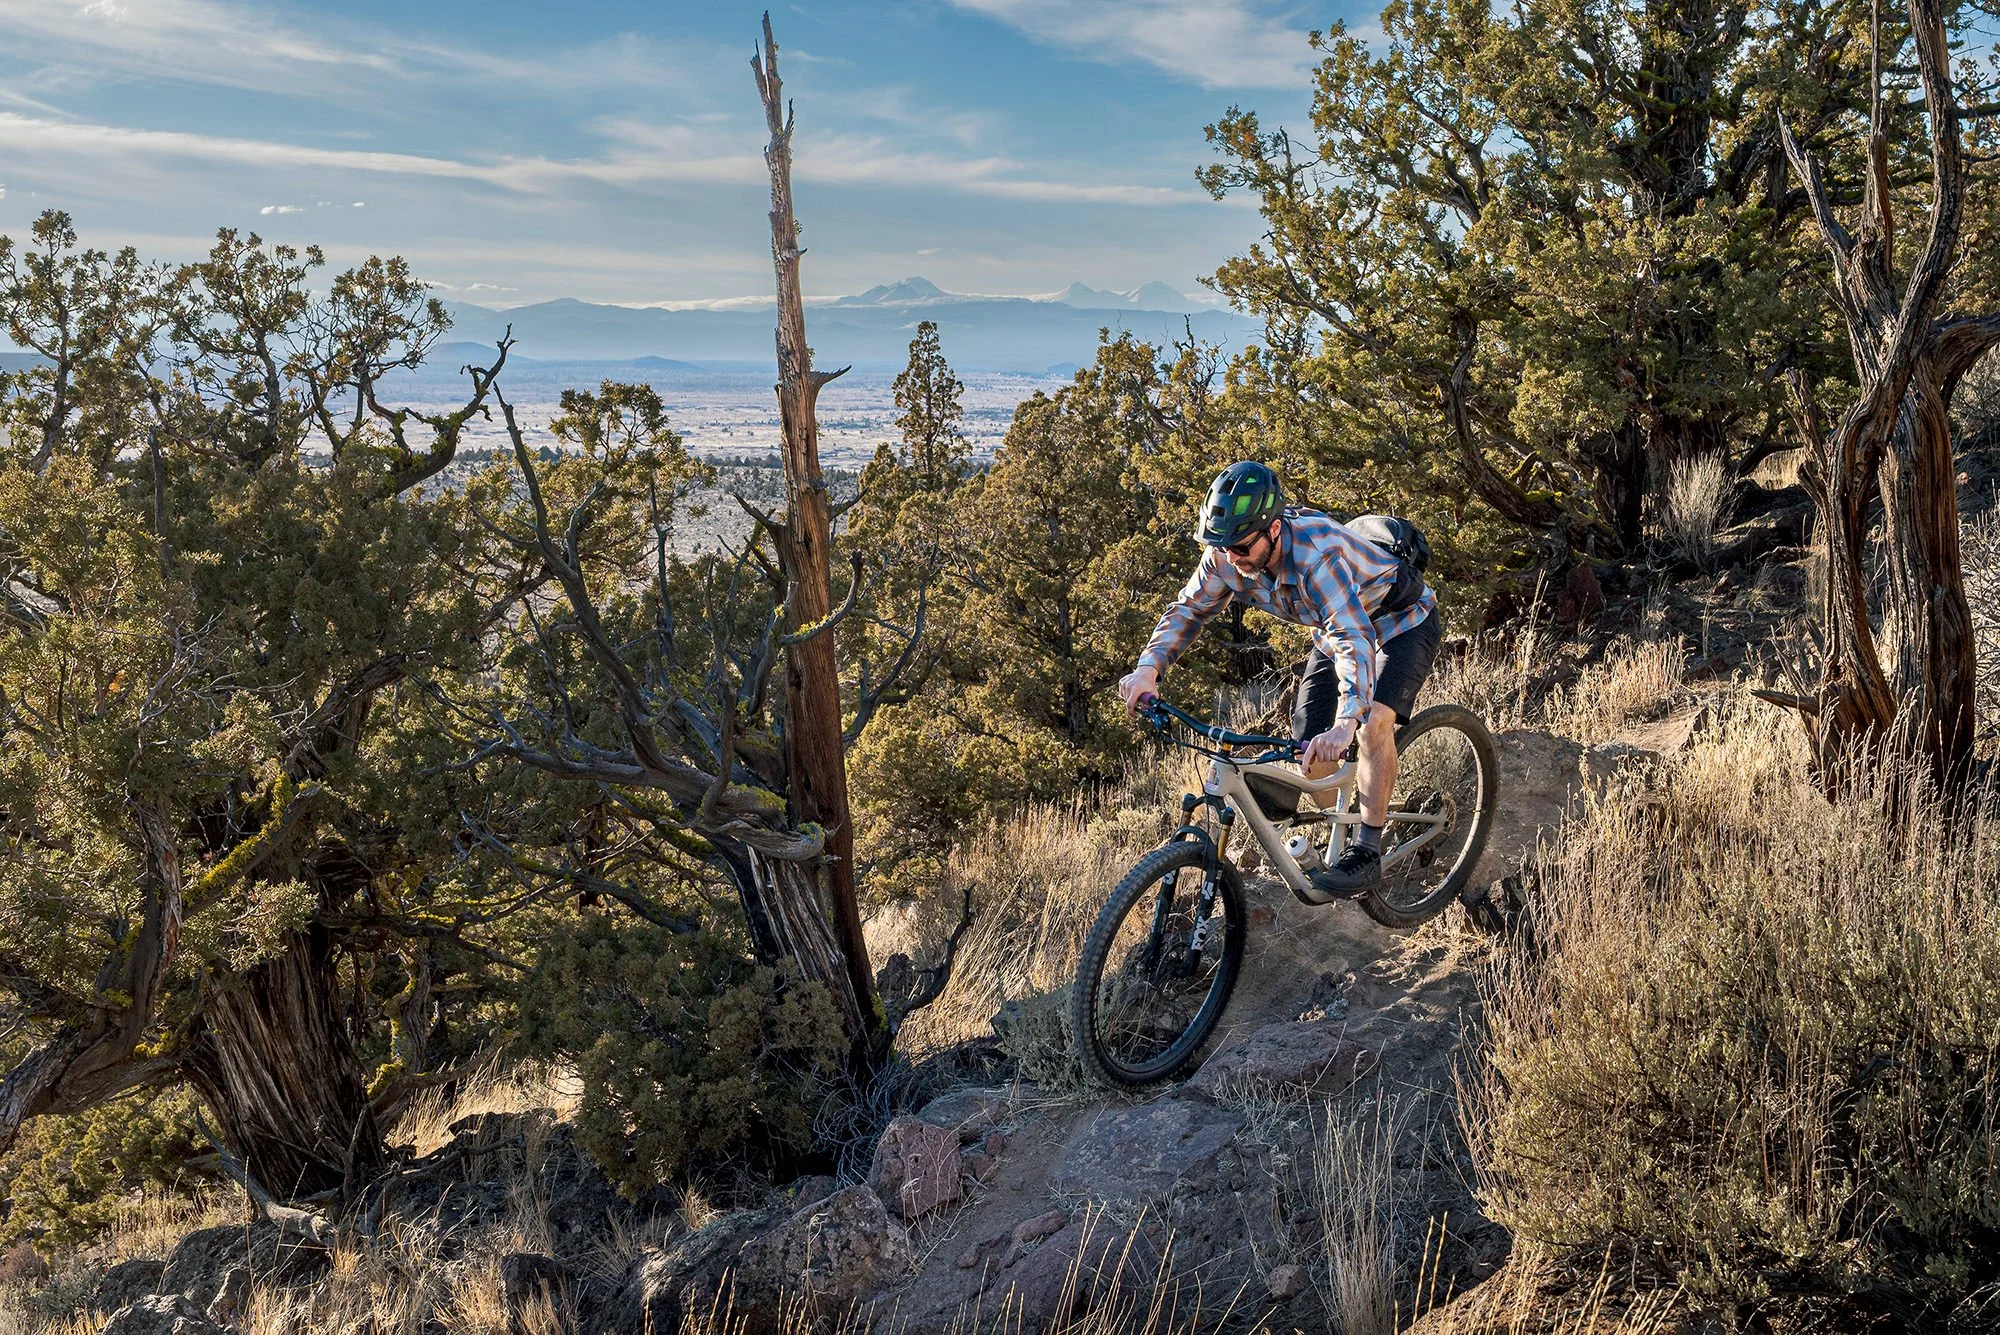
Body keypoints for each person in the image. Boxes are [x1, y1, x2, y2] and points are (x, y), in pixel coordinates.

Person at [1117, 461, 1442, 894]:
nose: (1231, 558)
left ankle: (1367, 851)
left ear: (1272, 530)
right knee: (1311, 749)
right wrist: (1148, 668)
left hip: (1401, 621)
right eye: (1222, 546)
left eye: (1240, 547)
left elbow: (1353, 639)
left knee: (1371, 727)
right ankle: (1344, 829)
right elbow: (1189, 610)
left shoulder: (1315, 554)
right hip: (1336, 630)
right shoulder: (1226, 555)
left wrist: (1347, 722)